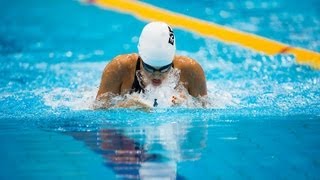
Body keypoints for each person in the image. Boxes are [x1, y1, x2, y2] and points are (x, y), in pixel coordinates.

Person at [96, 21, 207, 108]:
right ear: (141, 58)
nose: (157, 75)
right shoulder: (119, 68)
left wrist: (187, 105)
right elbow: (97, 111)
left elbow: (206, 109)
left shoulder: (191, 70)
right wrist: (125, 106)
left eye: (164, 69)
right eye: (149, 68)